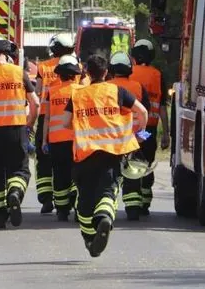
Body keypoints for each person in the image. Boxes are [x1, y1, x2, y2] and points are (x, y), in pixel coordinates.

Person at [65, 54, 147, 257]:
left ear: (86, 72)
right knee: (108, 192)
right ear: (106, 72)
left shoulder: (78, 96)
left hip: (85, 155)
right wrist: (138, 132)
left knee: (84, 201)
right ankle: (104, 217)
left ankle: (90, 236)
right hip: (112, 154)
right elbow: (142, 111)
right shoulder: (118, 91)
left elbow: (66, 122)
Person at [0, 36, 39, 230]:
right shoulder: (20, 73)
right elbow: (35, 103)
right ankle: (15, 192)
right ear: (7, 54)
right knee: (19, 169)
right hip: (16, 129)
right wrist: (29, 124)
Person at [107, 51, 151, 221]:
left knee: (110, 174)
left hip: (109, 139)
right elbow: (145, 111)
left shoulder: (106, 86)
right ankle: (133, 209)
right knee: (132, 174)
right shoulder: (138, 87)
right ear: (129, 69)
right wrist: (141, 134)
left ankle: (107, 204)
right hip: (132, 139)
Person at [33, 32, 74, 215]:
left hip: (47, 116)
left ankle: (46, 198)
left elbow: (38, 90)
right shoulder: (76, 65)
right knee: (71, 160)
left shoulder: (43, 66)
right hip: (72, 118)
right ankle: (69, 195)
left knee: (44, 159)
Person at [40, 54, 82, 221]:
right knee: (77, 174)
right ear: (75, 74)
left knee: (59, 175)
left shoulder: (52, 91)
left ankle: (62, 210)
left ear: (59, 74)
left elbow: (47, 118)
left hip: (56, 141)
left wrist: (44, 140)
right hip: (76, 141)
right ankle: (77, 204)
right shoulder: (80, 91)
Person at [130, 38, 170, 214]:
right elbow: (162, 108)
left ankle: (133, 199)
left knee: (130, 162)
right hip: (148, 131)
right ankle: (145, 201)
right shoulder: (157, 75)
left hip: (129, 131)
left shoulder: (128, 73)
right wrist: (166, 133)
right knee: (146, 162)